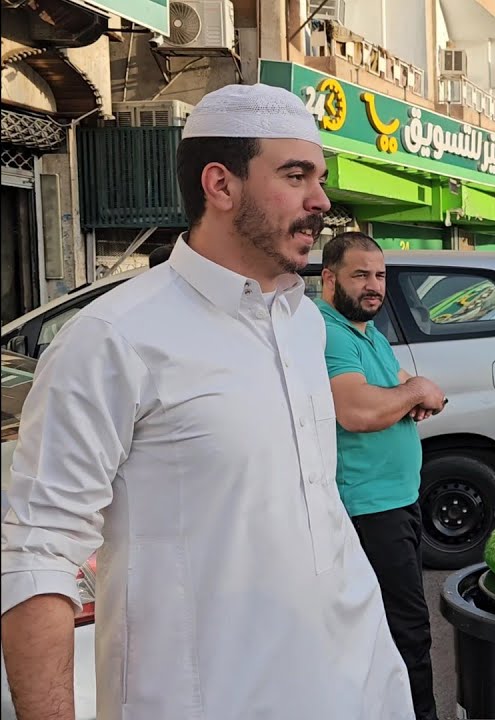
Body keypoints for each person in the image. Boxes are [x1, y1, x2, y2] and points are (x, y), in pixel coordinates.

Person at [0, 84, 414, 719]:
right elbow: (36, 553)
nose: (321, 202)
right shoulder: (116, 338)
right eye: (296, 175)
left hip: (350, 686)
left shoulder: (303, 323)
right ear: (220, 186)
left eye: (320, 178)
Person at [318, 231, 446, 720]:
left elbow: (393, 391)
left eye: (380, 275)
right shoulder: (327, 330)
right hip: (369, 510)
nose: (374, 286)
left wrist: (410, 395)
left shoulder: (364, 331)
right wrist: (414, 391)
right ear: (329, 278)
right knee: (406, 631)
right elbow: (356, 411)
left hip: (396, 502)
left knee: (393, 632)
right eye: (360, 275)